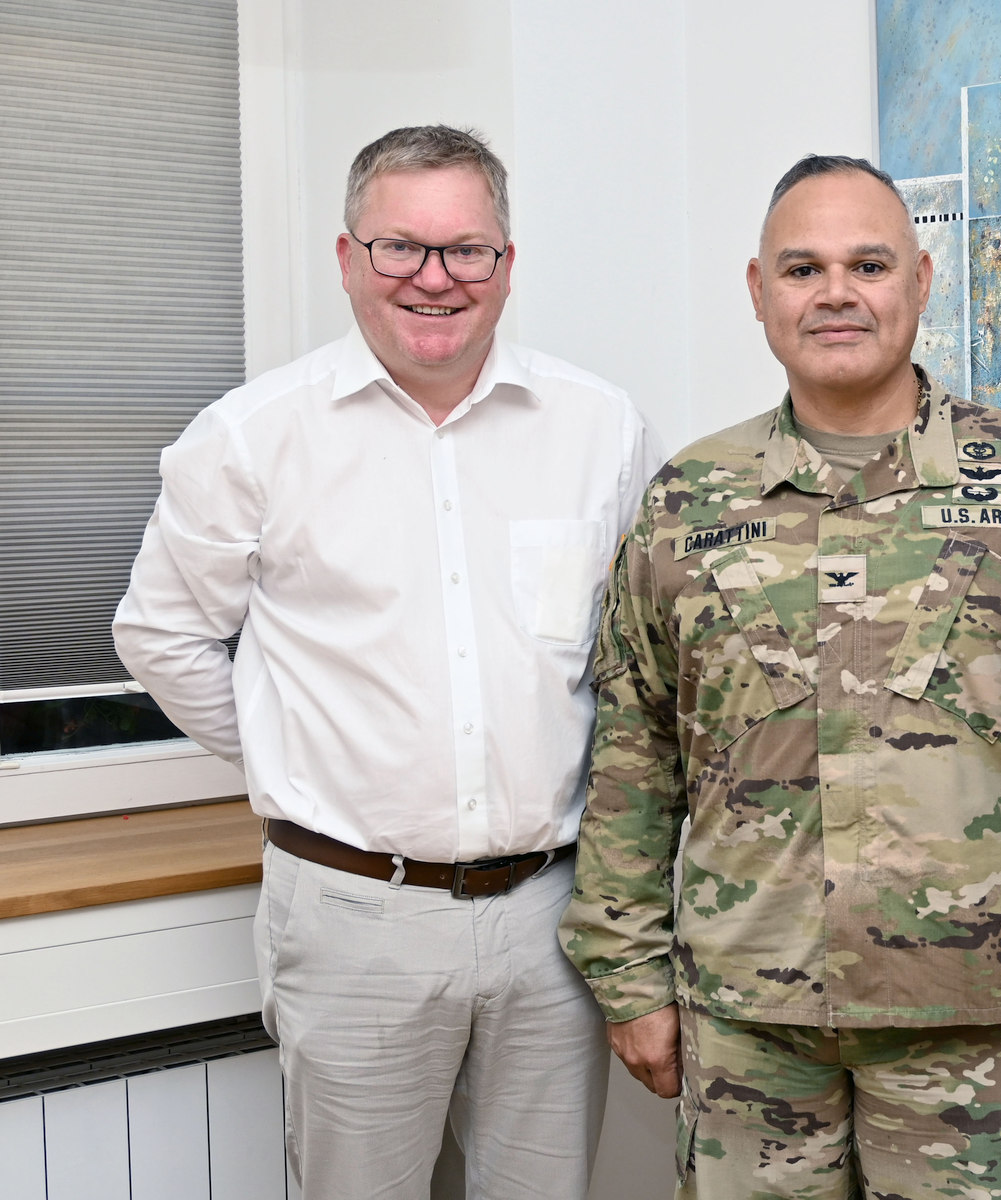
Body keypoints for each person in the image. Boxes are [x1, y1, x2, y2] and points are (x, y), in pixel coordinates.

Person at [559, 154, 1001, 1198]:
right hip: (750, 1018)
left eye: (868, 264)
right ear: (759, 292)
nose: (836, 293)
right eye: (803, 269)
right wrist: (627, 981)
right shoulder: (689, 502)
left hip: (980, 1021)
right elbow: (633, 754)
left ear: (921, 281)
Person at [114, 125, 657, 1199]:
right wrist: (289, 750)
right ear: (346, 257)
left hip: (555, 915)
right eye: (399, 248)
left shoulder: (602, 428)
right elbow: (160, 635)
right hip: (353, 913)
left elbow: (633, 660)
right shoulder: (251, 438)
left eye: (467, 250)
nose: (434, 278)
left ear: (508, 262)